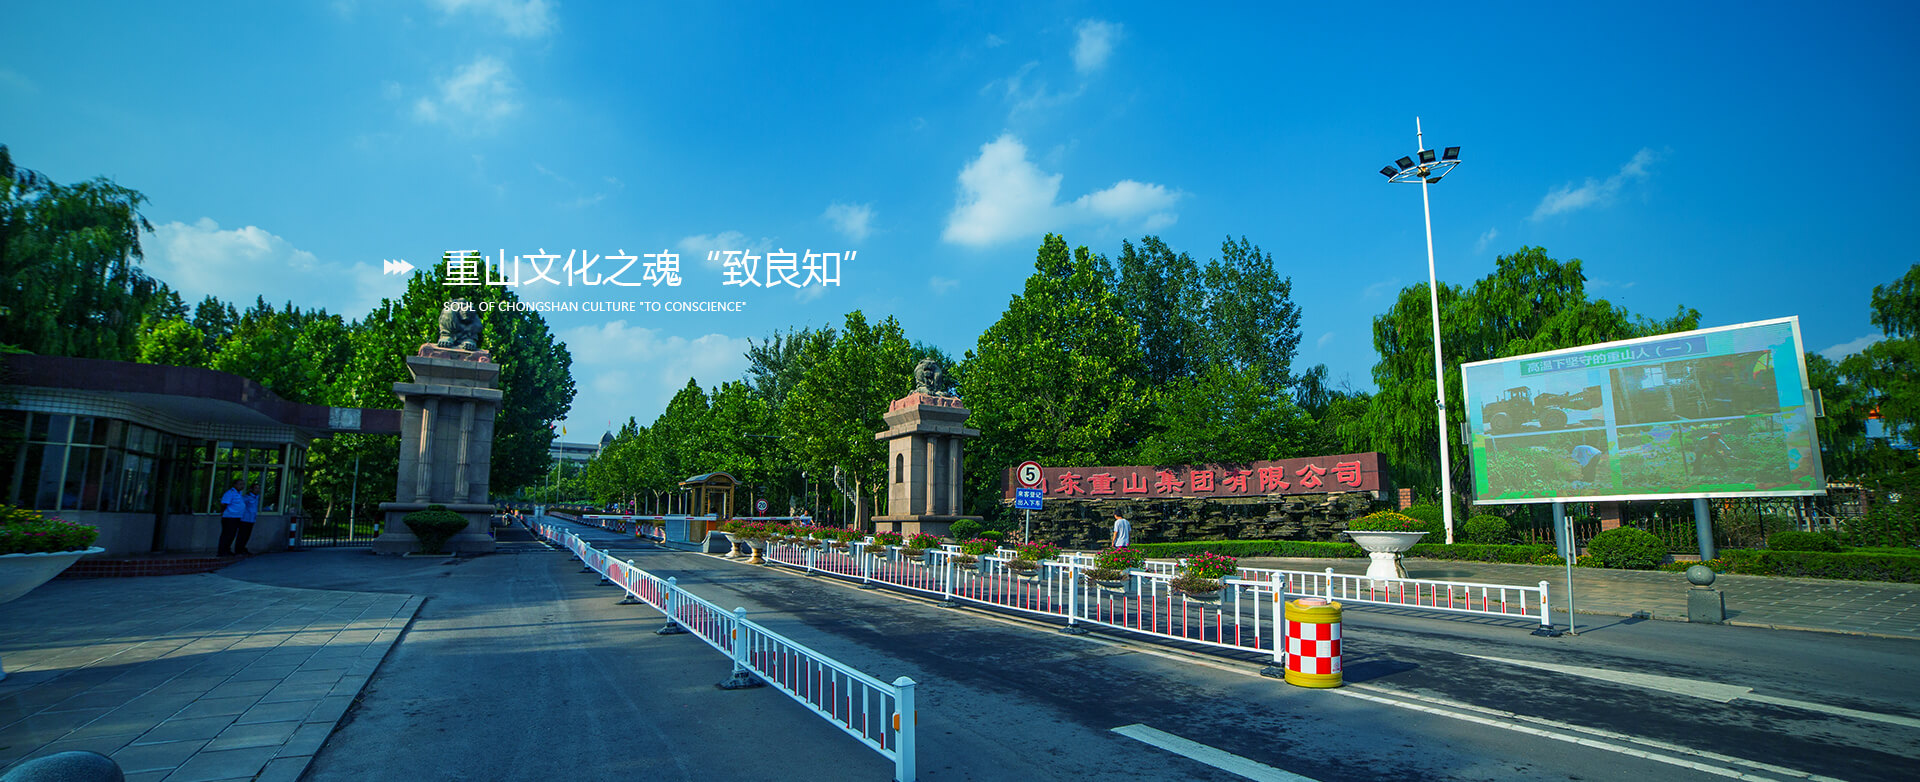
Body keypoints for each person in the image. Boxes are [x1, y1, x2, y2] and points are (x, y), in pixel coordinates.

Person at [216, 479, 246, 556]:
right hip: (229, 517)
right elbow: (224, 504)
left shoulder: (239, 494)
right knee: (227, 534)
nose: (242, 486)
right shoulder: (230, 493)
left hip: (237, 517)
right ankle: (222, 551)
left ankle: (227, 549)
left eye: (243, 484)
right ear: (235, 485)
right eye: (240, 484)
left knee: (232, 535)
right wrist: (222, 511)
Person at [233, 481, 261, 555]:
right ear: (251, 489)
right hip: (244, 519)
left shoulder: (256, 497)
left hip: (251, 519)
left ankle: (243, 548)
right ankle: (238, 549)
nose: (257, 490)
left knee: (247, 535)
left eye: (258, 488)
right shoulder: (246, 497)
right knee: (242, 535)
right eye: (256, 488)